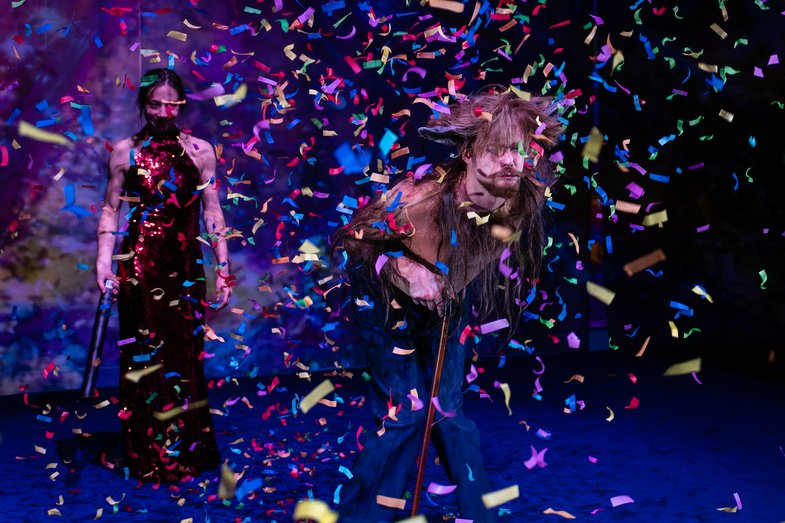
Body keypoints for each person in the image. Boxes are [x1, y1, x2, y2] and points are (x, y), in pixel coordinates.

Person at [333, 88, 564, 522]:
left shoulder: (523, 197)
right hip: (387, 302)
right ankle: (365, 516)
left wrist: (447, 284)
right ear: (470, 153)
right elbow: (351, 242)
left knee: (449, 414)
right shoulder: (418, 199)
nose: (510, 162)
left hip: (450, 303)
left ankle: (478, 515)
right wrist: (405, 267)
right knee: (405, 414)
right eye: (497, 150)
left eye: (518, 150)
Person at [95, 68, 232, 483]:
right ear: (143, 104)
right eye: (154, 103)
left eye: (170, 103)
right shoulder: (124, 151)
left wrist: (223, 267)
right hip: (138, 263)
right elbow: (109, 209)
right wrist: (104, 260)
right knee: (144, 354)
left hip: (185, 266)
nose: (162, 111)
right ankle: (147, 453)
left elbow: (212, 211)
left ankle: (188, 450)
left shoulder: (200, 150)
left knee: (183, 355)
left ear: (182, 104)